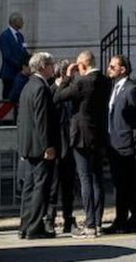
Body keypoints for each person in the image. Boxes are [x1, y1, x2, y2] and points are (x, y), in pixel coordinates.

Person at [53, 50, 110, 239]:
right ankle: (98, 222)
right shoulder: (104, 80)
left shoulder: (82, 82)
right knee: (97, 179)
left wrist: (68, 77)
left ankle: (90, 223)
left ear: (83, 65)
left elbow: (59, 96)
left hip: (82, 136)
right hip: (100, 134)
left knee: (85, 178)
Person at [15, 51, 60, 240]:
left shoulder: (28, 86)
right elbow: (41, 120)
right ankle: (34, 227)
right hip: (40, 147)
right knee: (40, 187)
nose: (53, 67)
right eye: (51, 64)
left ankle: (24, 226)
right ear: (43, 66)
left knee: (29, 188)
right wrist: (47, 146)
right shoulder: (41, 87)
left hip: (29, 146)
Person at [105, 54, 136, 234]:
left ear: (123, 70)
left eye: (113, 66)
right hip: (114, 144)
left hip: (127, 143)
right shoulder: (115, 88)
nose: (109, 68)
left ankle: (134, 219)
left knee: (131, 184)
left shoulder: (131, 89)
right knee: (120, 184)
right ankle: (120, 219)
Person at [50, 59, 78, 235]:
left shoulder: (72, 91)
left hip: (70, 143)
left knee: (69, 185)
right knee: (53, 185)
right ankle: (50, 218)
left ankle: (68, 217)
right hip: (55, 144)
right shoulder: (51, 90)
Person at [0, 13, 29, 99]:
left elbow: (24, 51)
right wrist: (20, 65)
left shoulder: (20, 36)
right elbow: (7, 55)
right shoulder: (5, 36)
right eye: (21, 20)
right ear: (15, 22)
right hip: (9, 73)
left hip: (19, 73)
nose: (23, 22)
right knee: (8, 95)